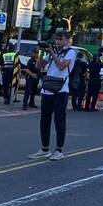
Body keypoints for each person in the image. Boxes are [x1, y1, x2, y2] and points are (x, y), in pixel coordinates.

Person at [28, 31, 77, 161]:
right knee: (44, 120)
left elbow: (61, 67)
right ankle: (44, 148)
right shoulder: (52, 52)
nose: (57, 42)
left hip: (61, 90)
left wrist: (52, 53)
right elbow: (38, 66)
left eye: (60, 39)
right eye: (56, 39)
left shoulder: (70, 52)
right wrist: (43, 52)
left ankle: (59, 150)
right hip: (47, 89)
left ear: (67, 40)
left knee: (59, 120)